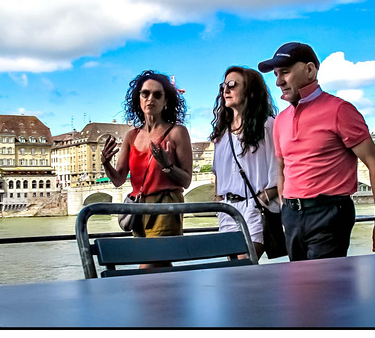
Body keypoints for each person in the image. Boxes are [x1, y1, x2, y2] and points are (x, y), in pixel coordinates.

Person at [258, 42, 375, 261]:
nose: (278, 81)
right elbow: (282, 169)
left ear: (310, 70)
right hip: (292, 214)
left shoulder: (340, 110)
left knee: (323, 287)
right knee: (299, 286)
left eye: (285, 72)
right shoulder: (281, 120)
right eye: (275, 74)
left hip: (329, 212)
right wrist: (285, 210)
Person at [101, 70, 193, 268]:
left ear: (166, 100)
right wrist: (106, 163)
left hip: (165, 206)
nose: (150, 98)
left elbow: (186, 181)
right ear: (138, 98)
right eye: (145, 93)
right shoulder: (131, 136)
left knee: (149, 264)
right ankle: (172, 297)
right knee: (159, 265)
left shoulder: (177, 132)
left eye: (157, 94)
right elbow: (118, 180)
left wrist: (167, 165)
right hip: (138, 209)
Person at [210, 66, 279, 259]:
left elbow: (281, 169)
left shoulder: (267, 125)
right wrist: (218, 200)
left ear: (250, 90)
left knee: (244, 263)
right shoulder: (221, 134)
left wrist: (262, 200)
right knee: (233, 269)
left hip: (255, 205)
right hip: (227, 208)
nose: (226, 90)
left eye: (232, 85)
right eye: (223, 86)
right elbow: (218, 174)